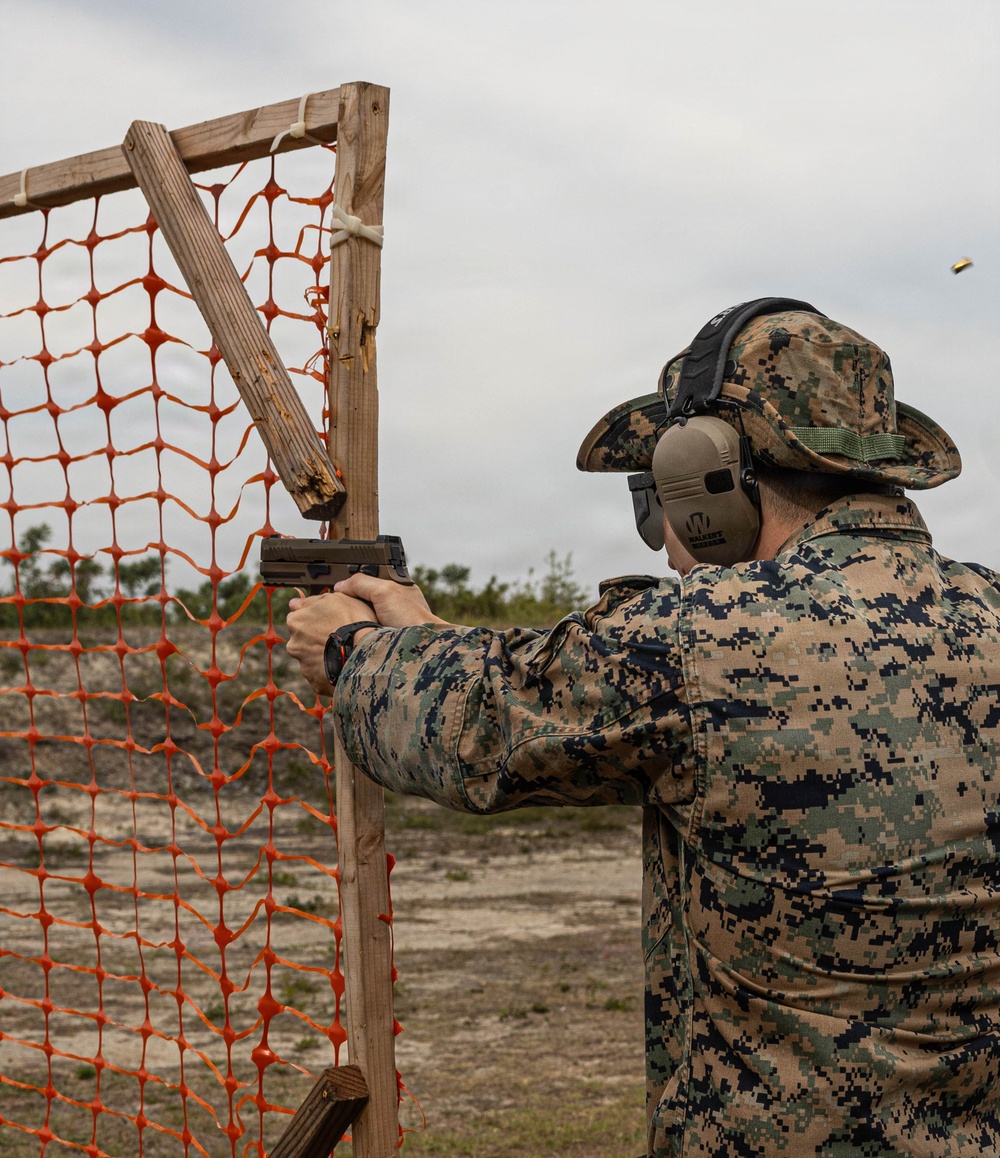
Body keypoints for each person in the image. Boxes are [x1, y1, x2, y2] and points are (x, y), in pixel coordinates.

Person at [285, 299, 1000, 1156]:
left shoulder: (702, 637)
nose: (664, 541)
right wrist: (426, 638)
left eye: (657, 495)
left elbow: (475, 731)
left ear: (707, 479)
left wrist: (352, 650)